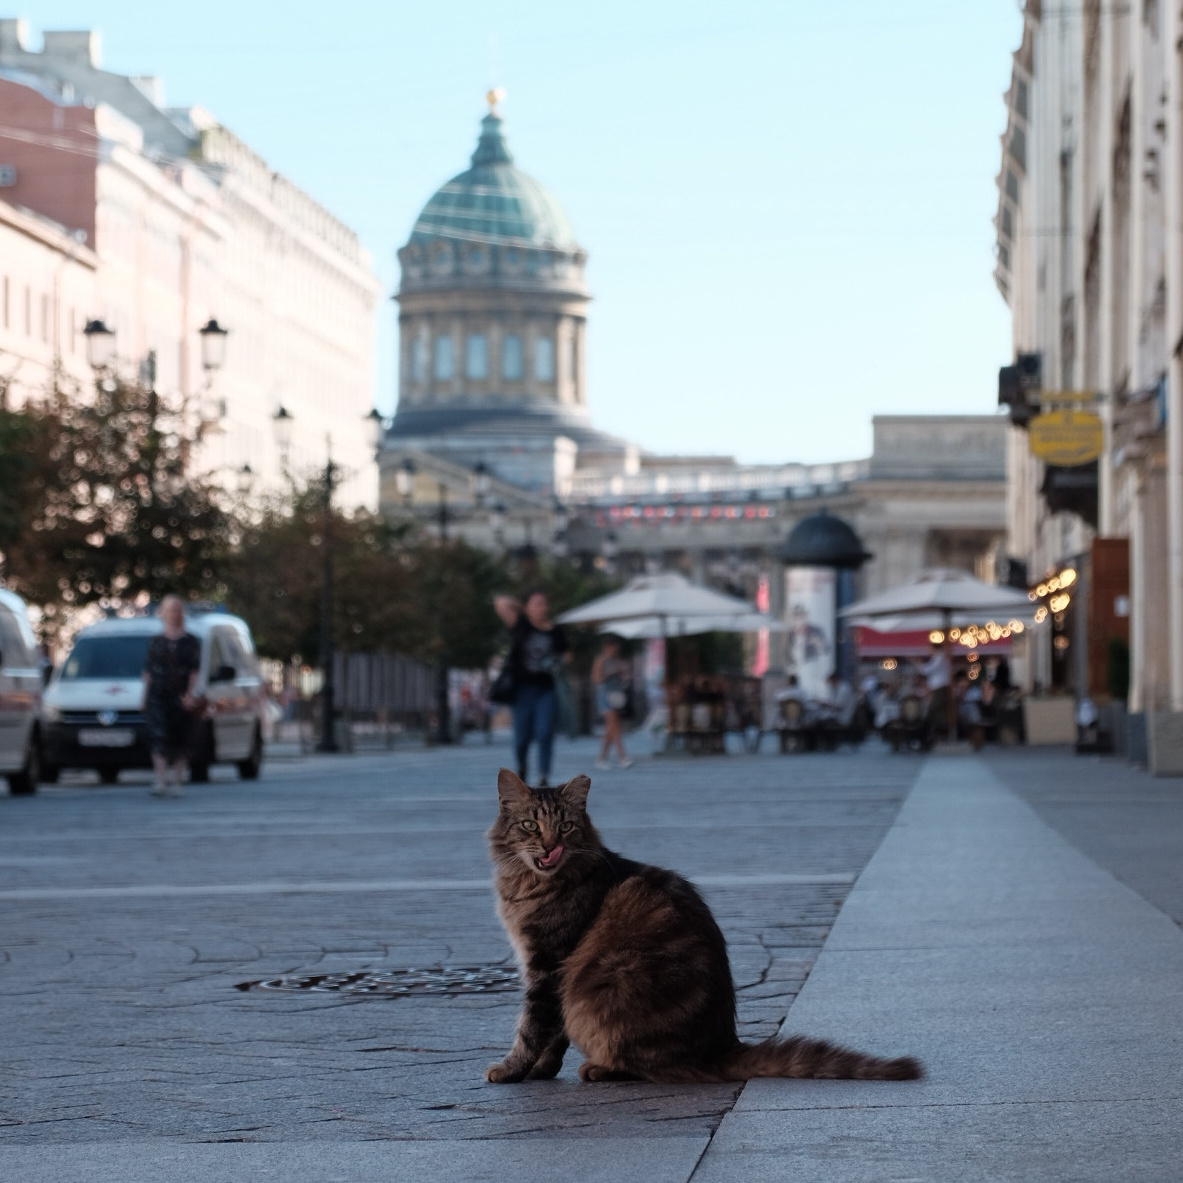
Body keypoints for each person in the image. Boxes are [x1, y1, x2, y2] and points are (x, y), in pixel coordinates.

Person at [493, 590, 570, 787]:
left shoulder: (555, 631)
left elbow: (567, 655)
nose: (542, 607)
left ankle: (544, 775)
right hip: (522, 690)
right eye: (536, 603)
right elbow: (500, 601)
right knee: (522, 737)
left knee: (545, 732)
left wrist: (557, 662)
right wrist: (522, 608)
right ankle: (522, 765)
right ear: (528, 607)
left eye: (544, 603)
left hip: (546, 689)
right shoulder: (522, 626)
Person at [143, 595, 201, 798]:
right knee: (158, 735)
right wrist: (143, 697)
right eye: (170, 610)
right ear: (163, 613)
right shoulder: (156, 641)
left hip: (181, 695)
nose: (173, 614)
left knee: (180, 737)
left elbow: (195, 670)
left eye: (177, 609)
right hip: (158, 694)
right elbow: (148, 671)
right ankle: (160, 779)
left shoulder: (191, 641)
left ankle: (177, 779)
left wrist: (190, 694)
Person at [592, 636, 633, 770]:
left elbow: (624, 678)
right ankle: (623, 757)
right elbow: (597, 679)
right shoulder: (601, 660)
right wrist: (611, 672)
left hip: (616, 695)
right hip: (605, 695)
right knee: (614, 725)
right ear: (607, 647)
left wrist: (624, 673)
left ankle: (602, 758)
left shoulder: (618, 661)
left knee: (611, 728)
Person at [921, 641, 951, 740]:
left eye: (930, 648)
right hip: (937, 689)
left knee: (932, 710)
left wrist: (916, 662)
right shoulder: (938, 658)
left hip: (940, 689)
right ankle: (932, 734)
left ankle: (927, 733)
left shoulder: (940, 658)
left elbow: (927, 669)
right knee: (936, 712)